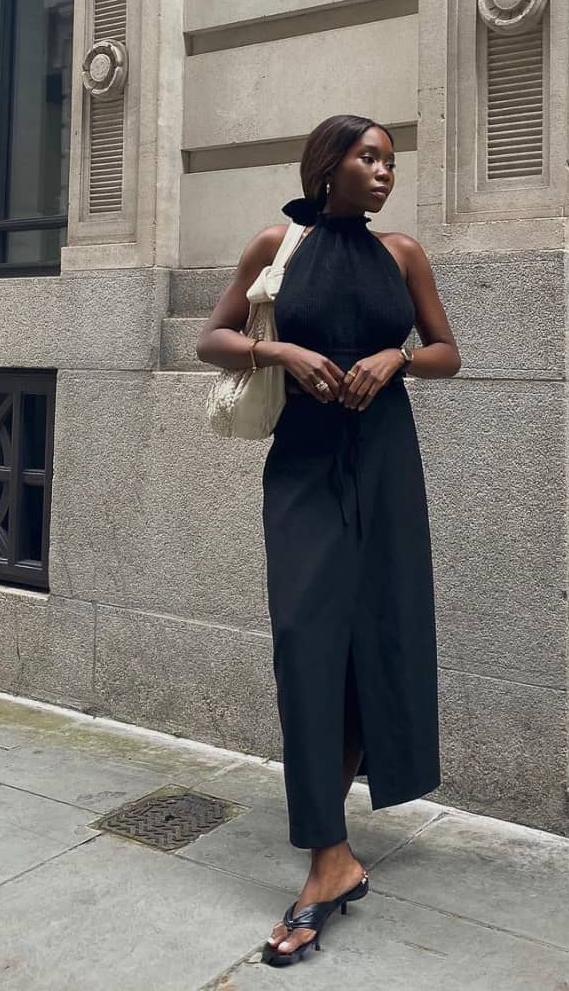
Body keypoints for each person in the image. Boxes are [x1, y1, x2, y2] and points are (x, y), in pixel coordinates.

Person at [195, 114, 461, 965]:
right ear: (329, 165)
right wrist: (285, 355)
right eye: (370, 157)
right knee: (306, 644)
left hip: (385, 463)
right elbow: (212, 337)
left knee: (374, 637)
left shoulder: (404, 255)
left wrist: (397, 361)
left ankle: (330, 862)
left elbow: (448, 351)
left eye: (391, 161)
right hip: (305, 466)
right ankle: (326, 850)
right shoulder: (279, 243)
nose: (385, 172)